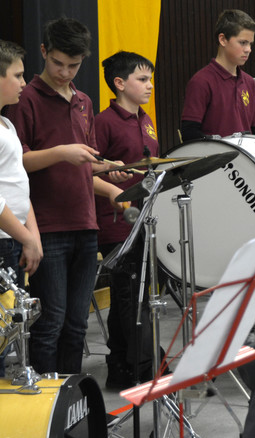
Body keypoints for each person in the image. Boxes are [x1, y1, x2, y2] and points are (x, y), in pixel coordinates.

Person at [4, 17, 127, 375]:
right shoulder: (24, 97)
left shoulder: (85, 101)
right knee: (50, 325)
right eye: (58, 63)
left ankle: (71, 406)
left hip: (85, 224)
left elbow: (80, 167)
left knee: (77, 325)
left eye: (73, 65)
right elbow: (18, 164)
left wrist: (107, 171)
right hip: (47, 226)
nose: (64, 72)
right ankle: (45, 409)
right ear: (44, 52)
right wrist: (63, 152)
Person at [94, 51, 159, 389]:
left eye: (150, 78)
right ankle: (143, 364)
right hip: (116, 221)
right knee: (130, 294)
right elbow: (89, 171)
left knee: (132, 293)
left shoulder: (146, 119)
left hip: (143, 219)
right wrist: (110, 175)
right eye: (142, 79)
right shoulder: (103, 122)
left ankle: (121, 365)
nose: (150, 85)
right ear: (120, 83)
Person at [181, 9, 255, 141]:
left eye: (250, 44)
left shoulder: (249, 82)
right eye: (242, 42)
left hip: (244, 160)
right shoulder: (201, 82)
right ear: (223, 40)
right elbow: (189, 134)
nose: (248, 49)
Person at [0, 40, 42, 283]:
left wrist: (32, 234)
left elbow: (19, 183)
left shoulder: (8, 124)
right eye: (18, 75)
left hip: (14, 237)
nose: (24, 84)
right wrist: (26, 237)